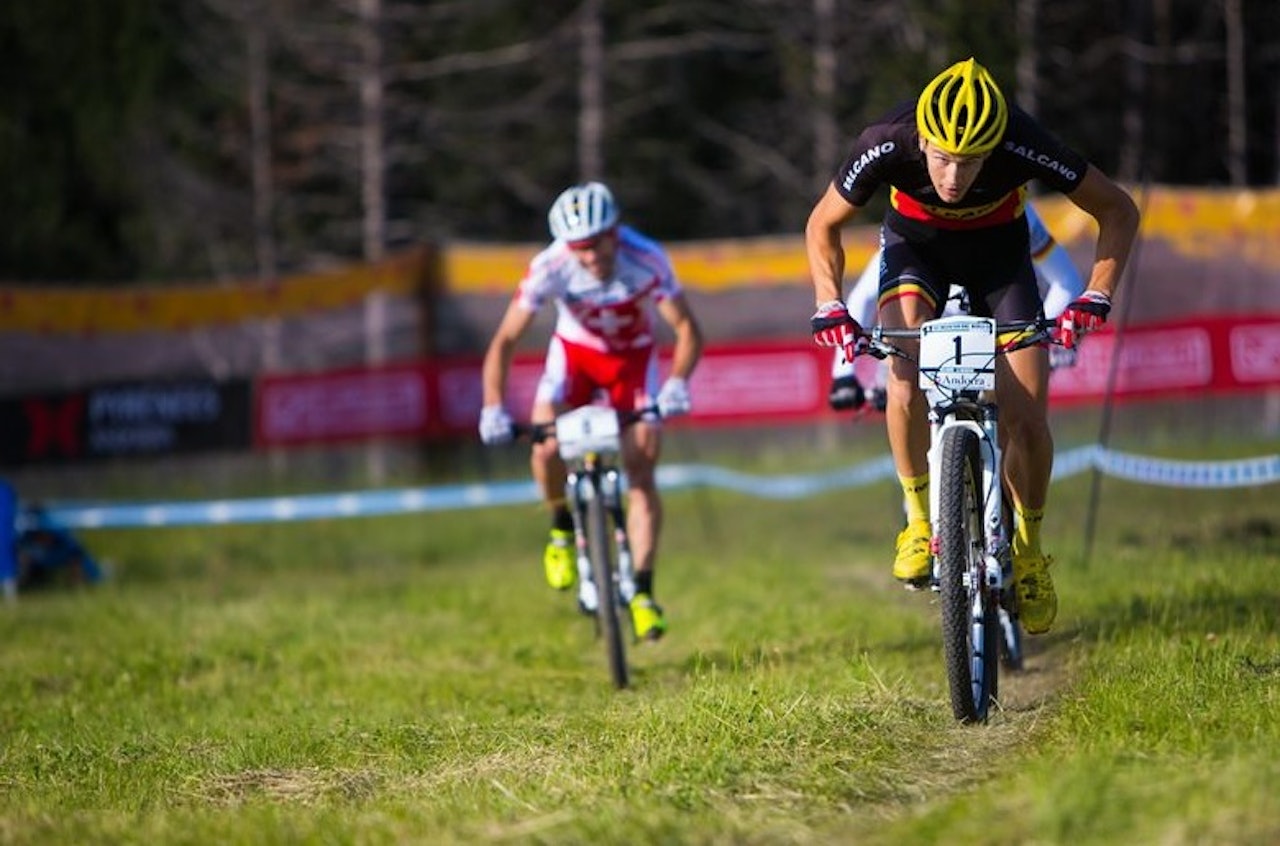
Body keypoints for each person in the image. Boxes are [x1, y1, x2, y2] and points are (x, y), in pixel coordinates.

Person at [806, 58, 1139, 634]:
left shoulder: (1021, 139)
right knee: (902, 373)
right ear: (921, 141)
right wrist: (829, 301)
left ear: (995, 148)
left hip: (1000, 260)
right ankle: (917, 522)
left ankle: (1029, 552)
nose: (954, 177)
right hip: (915, 252)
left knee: (1026, 417)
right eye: (941, 158)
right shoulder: (886, 140)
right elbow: (822, 224)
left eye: (971, 161)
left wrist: (1096, 294)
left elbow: (1118, 209)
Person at [478, 181, 704, 641]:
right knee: (545, 447)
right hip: (575, 358)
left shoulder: (647, 257)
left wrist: (678, 381)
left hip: (632, 361)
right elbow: (505, 340)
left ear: (615, 232)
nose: (590, 255)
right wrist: (493, 407)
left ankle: (642, 592)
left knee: (641, 468)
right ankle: (561, 528)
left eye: (598, 242)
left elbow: (687, 330)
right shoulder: (549, 265)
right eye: (578, 247)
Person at [827, 202, 1084, 411]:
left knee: (1016, 419)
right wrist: (844, 374)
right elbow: (866, 296)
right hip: (932, 340)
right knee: (903, 394)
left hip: (995, 330)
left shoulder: (1017, 209)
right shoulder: (915, 211)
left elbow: (1067, 281)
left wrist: (1041, 338)